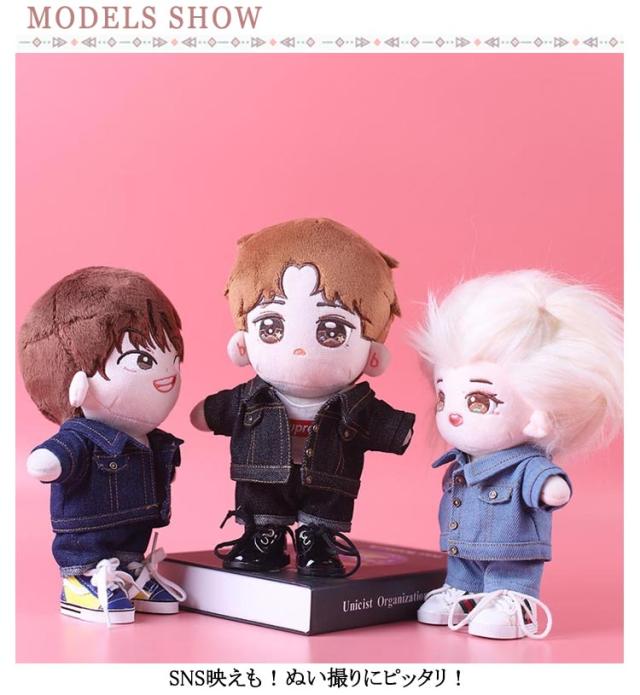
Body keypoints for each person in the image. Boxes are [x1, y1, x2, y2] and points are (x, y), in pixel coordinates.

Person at [191, 218, 415, 577]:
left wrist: (397, 431)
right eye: (270, 327)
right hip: (263, 478)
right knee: (260, 501)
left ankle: (318, 539)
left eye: (332, 330)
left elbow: (389, 427)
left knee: (326, 504)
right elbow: (211, 413)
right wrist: (209, 413)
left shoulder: (357, 405)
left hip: (328, 480)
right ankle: (264, 534)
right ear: (243, 343)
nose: (298, 348)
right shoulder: (250, 397)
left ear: (373, 354)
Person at [413, 270, 623, 639]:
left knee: (509, 574)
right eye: (444, 396)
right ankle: (462, 593)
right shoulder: (460, 462)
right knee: (463, 570)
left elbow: (548, 483)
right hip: (462, 550)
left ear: (540, 413)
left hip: (513, 553)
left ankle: (513, 601)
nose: (453, 413)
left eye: (479, 401)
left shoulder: (525, 466)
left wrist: (552, 488)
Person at [19, 266, 187, 625]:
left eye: (172, 357)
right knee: (86, 547)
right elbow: (53, 457)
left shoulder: (151, 439)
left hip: (135, 528)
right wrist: (47, 460)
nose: (168, 375)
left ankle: (128, 571)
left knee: (133, 539)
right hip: (86, 539)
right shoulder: (83, 436)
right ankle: (79, 581)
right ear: (77, 378)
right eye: (143, 360)